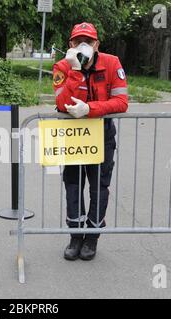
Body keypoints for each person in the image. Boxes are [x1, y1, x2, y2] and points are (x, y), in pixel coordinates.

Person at [52, 22, 128, 261]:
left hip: (102, 134)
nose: (82, 45)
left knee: (98, 186)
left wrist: (90, 109)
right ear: (70, 45)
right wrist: (75, 70)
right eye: (77, 41)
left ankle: (92, 237)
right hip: (74, 136)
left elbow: (121, 102)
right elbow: (62, 103)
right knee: (73, 185)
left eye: (88, 41)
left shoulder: (112, 63)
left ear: (97, 45)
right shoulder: (62, 66)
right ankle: (75, 236)